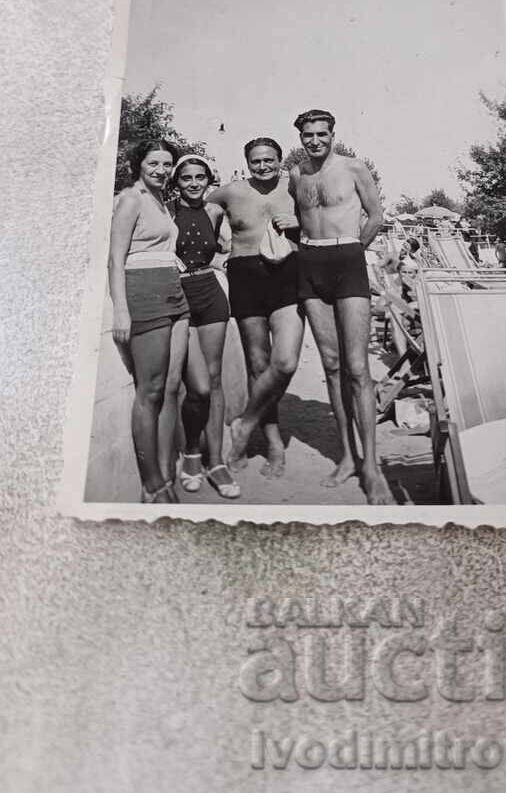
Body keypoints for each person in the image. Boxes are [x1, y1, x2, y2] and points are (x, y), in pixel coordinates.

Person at [289, 109, 393, 505]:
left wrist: (355, 250)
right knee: (331, 366)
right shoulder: (298, 175)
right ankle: (349, 457)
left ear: (333, 134)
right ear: (301, 138)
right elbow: (295, 218)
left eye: (321, 134)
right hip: (309, 264)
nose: (315, 141)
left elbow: (377, 215)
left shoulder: (354, 168)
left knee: (358, 367)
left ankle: (373, 467)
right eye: (308, 135)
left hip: (347, 261)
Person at [208, 137, 305, 477]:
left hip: (287, 275)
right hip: (245, 274)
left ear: (280, 159)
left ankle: (245, 425)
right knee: (258, 363)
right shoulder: (229, 192)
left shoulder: (294, 186)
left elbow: (319, 220)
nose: (263, 166)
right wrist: (212, 256)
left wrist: (299, 224)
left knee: (286, 362)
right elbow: (196, 218)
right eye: (256, 161)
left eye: (269, 160)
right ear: (247, 162)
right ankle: (275, 443)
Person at [108, 138, 190, 503]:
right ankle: (152, 482)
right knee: (151, 390)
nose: (161, 170)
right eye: (154, 163)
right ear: (139, 164)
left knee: (173, 387)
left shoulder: (159, 201)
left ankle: (166, 469)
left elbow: (161, 248)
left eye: (166, 164)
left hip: (174, 292)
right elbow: (115, 259)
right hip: (145, 295)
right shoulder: (131, 199)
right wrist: (121, 309)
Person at [165, 155, 240, 500]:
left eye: (200, 178)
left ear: (208, 180)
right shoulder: (164, 212)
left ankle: (216, 460)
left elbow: (225, 248)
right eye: (186, 178)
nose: (194, 183)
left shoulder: (214, 212)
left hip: (210, 295)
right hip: (176, 298)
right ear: (176, 181)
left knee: (213, 380)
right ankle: (191, 453)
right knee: (190, 385)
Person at [397, 237, 421, 301]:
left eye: (406, 247)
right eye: (403, 245)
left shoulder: (413, 263)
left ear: (412, 251)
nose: (403, 248)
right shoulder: (398, 255)